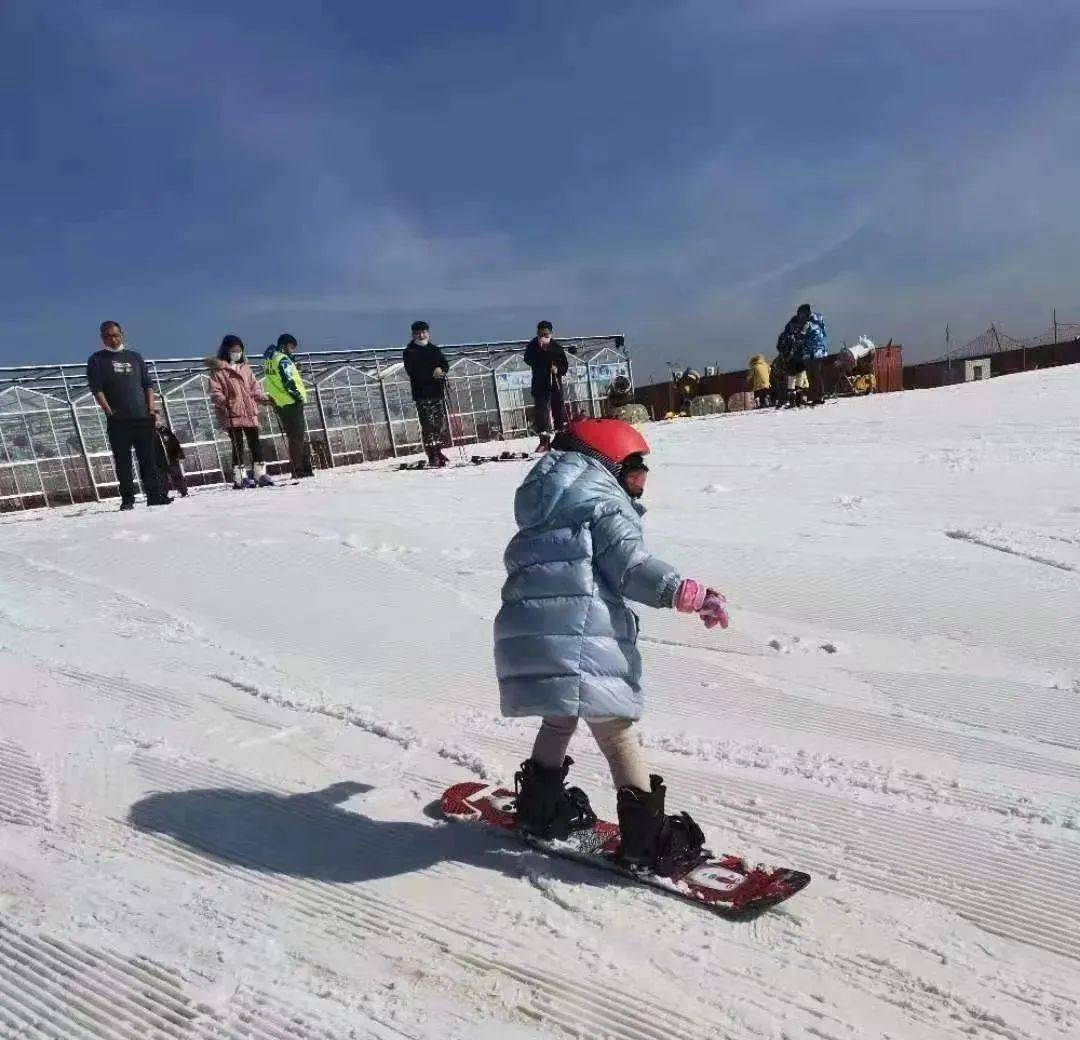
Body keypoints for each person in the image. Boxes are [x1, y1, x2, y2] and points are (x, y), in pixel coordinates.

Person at [493, 417, 729, 877]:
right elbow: (632, 568)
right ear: (610, 463)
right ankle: (647, 838)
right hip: (582, 640)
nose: (642, 482)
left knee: (560, 717)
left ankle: (539, 807)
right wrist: (690, 594)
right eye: (637, 469)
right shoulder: (602, 505)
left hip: (538, 635)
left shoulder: (546, 507)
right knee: (617, 730)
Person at [86, 320, 169, 510]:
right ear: (102, 338)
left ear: (122, 335)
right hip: (118, 420)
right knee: (122, 461)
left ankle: (154, 495)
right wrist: (108, 411)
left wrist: (151, 409)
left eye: (116, 335)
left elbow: (147, 385)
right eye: (108, 336)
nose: (113, 339)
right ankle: (127, 499)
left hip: (142, 416)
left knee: (148, 458)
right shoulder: (97, 360)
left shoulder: (135, 357)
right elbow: (97, 389)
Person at [209, 335, 273, 489]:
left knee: (255, 442)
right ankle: (239, 476)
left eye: (239, 350)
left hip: (249, 410)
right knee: (237, 444)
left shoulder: (245, 368)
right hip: (232, 411)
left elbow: (254, 387)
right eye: (234, 350)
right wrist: (224, 401)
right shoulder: (219, 370)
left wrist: (263, 398)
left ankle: (260, 473)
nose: (237, 353)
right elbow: (215, 391)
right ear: (226, 351)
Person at [263, 333, 313, 478]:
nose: (292, 351)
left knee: (292, 436)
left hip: (279, 402)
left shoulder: (269, 359)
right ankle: (299, 468)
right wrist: (297, 396)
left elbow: (276, 379)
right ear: (284, 346)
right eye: (291, 347)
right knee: (297, 436)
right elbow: (288, 381)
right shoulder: (283, 360)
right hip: (291, 401)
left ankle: (298, 467)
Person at [402, 320, 451, 468]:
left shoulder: (434, 349)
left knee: (439, 423)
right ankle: (431, 454)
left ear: (427, 333)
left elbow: (444, 363)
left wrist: (441, 370)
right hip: (422, 394)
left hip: (437, 392)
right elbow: (413, 372)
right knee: (428, 425)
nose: (421, 335)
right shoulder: (410, 352)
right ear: (413, 334)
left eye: (423, 332)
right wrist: (432, 374)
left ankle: (438, 450)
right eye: (418, 333)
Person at [523, 321, 569, 452]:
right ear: (537, 333)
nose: (543, 336)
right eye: (541, 333)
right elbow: (527, 359)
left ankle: (560, 439)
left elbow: (564, 366)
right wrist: (540, 352)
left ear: (551, 333)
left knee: (558, 410)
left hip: (554, 384)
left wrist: (558, 369)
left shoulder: (557, 347)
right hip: (540, 384)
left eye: (546, 333)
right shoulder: (533, 345)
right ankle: (544, 442)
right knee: (542, 413)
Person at [152, 406, 188, 498]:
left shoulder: (165, 431)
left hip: (171, 457)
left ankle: (183, 490)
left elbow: (175, 442)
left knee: (177, 475)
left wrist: (180, 454)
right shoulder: (151, 433)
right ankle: (163, 493)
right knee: (162, 477)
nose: (157, 422)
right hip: (159, 459)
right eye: (155, 420)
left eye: (158, 419)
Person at [800, 305, 829, 406]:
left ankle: (817, 396)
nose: (800, 316)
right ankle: (819, 396)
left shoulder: (807, 324)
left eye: (801, 313)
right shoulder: (819, 321)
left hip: (811, 353)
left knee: (813, 376)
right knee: (817, 375)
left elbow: (801, 337)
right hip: (820, 351)